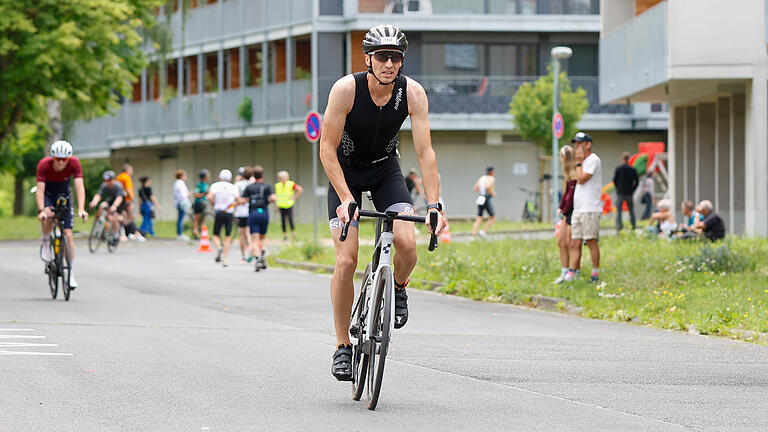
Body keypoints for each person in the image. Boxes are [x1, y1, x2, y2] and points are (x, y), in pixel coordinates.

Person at [319, 24, 446, 381]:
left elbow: (425, 152)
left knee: (407, 243)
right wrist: (346, 198)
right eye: (382, 56)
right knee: (346, 260)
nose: (389, 64)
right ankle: (343, 346)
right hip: (345, 173)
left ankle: (399, 287)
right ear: (368, 59)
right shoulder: (346, 89)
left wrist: (434, 204)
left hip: (385, 171)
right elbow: (326, 149)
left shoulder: (412, 93)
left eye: (396, 57)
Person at [36, 140, 88, 289]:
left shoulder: (74, 163)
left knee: (68, 235)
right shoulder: (44, 164)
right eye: (57, 159)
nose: (60, 163)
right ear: (53, 158)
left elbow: (79, 188)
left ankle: (71, 275)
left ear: (69, 158)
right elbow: (39, 190)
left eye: (64, 159)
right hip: (48, 194)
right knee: (48, 218)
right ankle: (46, 241)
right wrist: (42, 210)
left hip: (64, 195)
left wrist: (81, 209)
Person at [566, 132, 602, 283]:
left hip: (590, 207)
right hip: (579, 207)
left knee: (591, 241)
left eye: (581, 143)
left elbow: (581, 179)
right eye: (576, 143)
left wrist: (579, 163)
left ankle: (595, 273)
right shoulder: (579, 161)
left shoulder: (593, 160)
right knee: (575, 242)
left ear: (588, 144)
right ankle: (572, 273)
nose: (578, 146)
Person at [239, 165, 276, 271]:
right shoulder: (267, 186)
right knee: (263, 237)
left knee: (254, 239)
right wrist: (267, 201)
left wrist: (237, 202)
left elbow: (243, 200)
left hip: (253, 213)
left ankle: (257, 259)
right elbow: (273, 198)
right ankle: (263, 255)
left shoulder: (249, 187)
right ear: (263, 175)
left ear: (253, 176)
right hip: (264, 212)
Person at [553, 145, 577, 284]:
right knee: (561, 242)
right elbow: (566, 195)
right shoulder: (568, 177)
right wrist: (561, 207)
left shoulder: (574, 176)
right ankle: (564, 271)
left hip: (572, 213)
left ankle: (572, 273)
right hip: (566, 212)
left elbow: (571, 197)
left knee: (571, 243)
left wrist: (565, 210)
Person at [207, 169, 239, 267]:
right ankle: (225, 259)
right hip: (229, 213)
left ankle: (218, 246)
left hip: (219, 212)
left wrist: (214, 204)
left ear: (220, 177)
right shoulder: (233, 187)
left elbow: (209, 197)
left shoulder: (215, 186)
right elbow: (238, 200)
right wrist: (230, 206)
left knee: (215, 234)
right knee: (228, 236)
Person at [88, 170, 125, 245]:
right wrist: (94, 201)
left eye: (109, 180)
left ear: (113, 179)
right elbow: (99, 195)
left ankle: (115, 235)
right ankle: (100, 227)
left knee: (115, 216)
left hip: (119, 202)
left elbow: (119, 198)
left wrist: (114, 206)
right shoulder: (104, 185)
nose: (107, 182)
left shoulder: (118, 186)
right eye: (105, 180)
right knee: (102, 206)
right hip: (111, 199)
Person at [116, 163, 144, 242]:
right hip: (127, 200)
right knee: (130, 217)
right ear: (128, 170)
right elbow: (128, 189)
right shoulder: (126, 177)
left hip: (119, 200)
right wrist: (132, 200)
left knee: (123, 216)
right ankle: (136, 233)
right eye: (131, 170)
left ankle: (126, 233)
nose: (132, 172)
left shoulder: (118, 177)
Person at [275, 170, 304, 241]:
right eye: (280, 178)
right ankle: (285, 235)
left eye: (283, 177)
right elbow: (277, 196)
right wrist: (277, 205)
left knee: (290, 219)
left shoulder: (291, 184)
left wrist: (294, 198)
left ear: (287, 177)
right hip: (281, 205)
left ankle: (293, 233)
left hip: (289, 205)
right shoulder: (277, 185)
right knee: (283, 221)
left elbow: (300, 189)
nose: (281, 179)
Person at [613, 152, 638, 231]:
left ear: (622, 159)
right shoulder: (632, 169)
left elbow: (614, 180)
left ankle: (619, 226)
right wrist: (633, 189)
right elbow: (636, 181)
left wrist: (618, 188)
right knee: (631, 210)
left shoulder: (619, 169)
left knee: (619, 210)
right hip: (629, 193)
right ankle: (633, 225)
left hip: (620, 192)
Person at [234, 166, 254, 263]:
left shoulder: (237, 185)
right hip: (250, 210)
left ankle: (243, 256)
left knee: (241, 235)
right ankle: (251, 251)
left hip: (240, 212)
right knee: (249, 233)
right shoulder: (252, 184)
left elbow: (235, 197)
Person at [471, 166, 496, 238]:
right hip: (486, 199)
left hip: (480, 198)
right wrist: (492, 193)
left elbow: (475, 188)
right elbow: (488, 186)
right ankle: (483, 231)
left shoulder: (482, 178)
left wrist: (482, 191)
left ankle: (474, 233)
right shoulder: (491, 178)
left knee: (479, 217)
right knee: (493, 217)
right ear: (492, 172)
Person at [192, 169, 211, 239]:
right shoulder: (199, 185)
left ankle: (203, 235)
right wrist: (204, 193)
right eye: (208, 176)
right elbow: (196, 195)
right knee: (197, 219)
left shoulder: (206, 184)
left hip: (205, 203)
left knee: (203, 220)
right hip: (199, 203)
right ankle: (195, 232)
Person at [173, 169, 191, 241]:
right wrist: (189, 194)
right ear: (181, 176)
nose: (185, 177)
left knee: (180, 219)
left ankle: (180, 234)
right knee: (181, 219)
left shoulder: (177, 183)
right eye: (184, 175)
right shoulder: (180, 183)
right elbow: (183, 195)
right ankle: (180, 234)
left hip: (179, 202)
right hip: (182, 203)